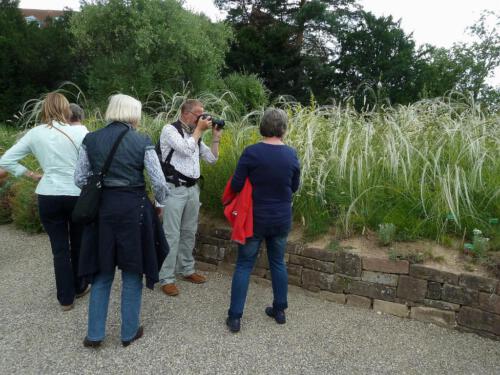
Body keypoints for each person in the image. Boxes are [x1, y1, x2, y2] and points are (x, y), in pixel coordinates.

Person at [75, 94, 169, 348]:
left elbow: (79, 178)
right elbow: (159, 182)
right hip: (133, 211)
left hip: (102, 212)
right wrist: (159, 204)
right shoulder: (141, 141)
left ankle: (94, 334)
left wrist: (100, 189)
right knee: (131, 272)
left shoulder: (90, 139)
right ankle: (128, 333)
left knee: (102, 273)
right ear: (132, 114)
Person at [0, 92, 89, 311]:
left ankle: (65, 299)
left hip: (48, 194)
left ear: (44, 108)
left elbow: (6, 160)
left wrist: (31, 174)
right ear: (66, 108)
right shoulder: (80, 131)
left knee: (59, 249)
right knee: (77, 243)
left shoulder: (35, 133)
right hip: (76, 194)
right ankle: (79, 286)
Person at [226, 108, 300, 333]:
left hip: (253, 219)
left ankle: (235, 317)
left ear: (263, 126)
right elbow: (294, 187)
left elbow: (237, 185)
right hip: (280, 219)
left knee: (244, 265)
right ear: (283, 129)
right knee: (278, 262)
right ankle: (279, 311)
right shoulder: (291, 154)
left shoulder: (252, 153)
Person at [157, 99, 222, 296]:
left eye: (203, 114)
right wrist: (199, 130)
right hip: (174, 189)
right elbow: (185, 149)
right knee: (171, 234)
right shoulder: (169, 130)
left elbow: (212, 159)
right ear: (185, 113)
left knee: (189, 231)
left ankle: (187, 269)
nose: (202, 118)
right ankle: (166, 277)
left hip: (193, 189)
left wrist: (216, 137)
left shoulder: (196, 135)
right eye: (198, 114)